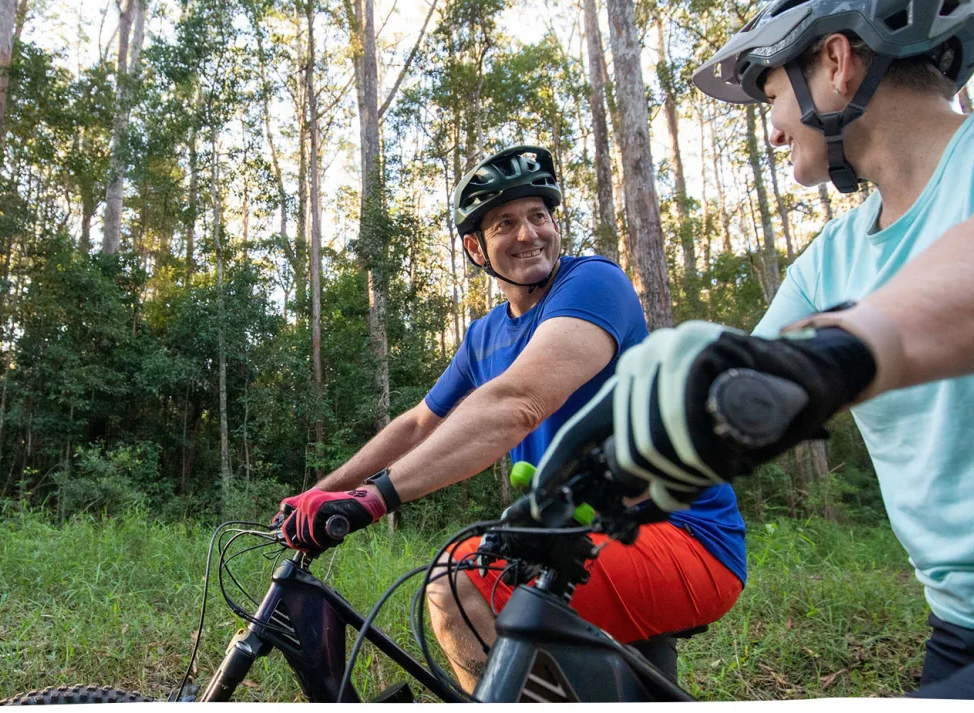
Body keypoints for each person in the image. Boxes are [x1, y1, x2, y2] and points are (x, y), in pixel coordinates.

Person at [595, 0, 974, 701]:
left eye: (770, 99)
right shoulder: (831, 262)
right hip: (960, 630)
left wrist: (839, 350)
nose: (771, 129)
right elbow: (737, 377)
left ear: (836, 61)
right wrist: (610, 470)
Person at [274, 146, 747, 690]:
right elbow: (418, 424)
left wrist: (375, 498)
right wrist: (319, 493)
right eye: (505, 223)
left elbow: (518, 401)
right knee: (472, 580)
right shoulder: (483, 336)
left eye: (538, 216)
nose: (528, 234)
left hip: (682, 537)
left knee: (457, 585)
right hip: (574, 537)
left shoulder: (593, 283)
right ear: (476, 248)